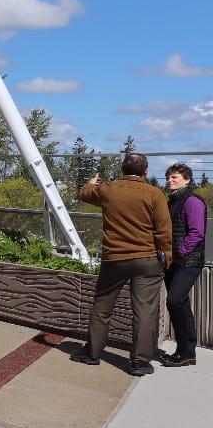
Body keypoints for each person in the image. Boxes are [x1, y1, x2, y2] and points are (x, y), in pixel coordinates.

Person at [73, 153, 172, 376]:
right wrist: (166, 259)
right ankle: (140, 362)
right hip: (147, 261)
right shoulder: (155, 194)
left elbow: (84, 194)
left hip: (115, 259)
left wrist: (90, 183)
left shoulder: (109, 189)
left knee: (102, 306)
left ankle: (92, 353)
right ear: (146, 171)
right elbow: (164, 232)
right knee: (145, 311)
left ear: (122, 170)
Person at [159, 163, 204, 367]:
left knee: (175, 301)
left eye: (174, 177)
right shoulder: (173, 201)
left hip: (188, 262)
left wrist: (178, 253)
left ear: (187, 180)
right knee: (182, 304)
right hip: (173, 262)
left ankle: (185, 351)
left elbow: (196, 233)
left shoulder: (192, 200)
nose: (169, 180)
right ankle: (186, 352)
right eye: (168, 177)